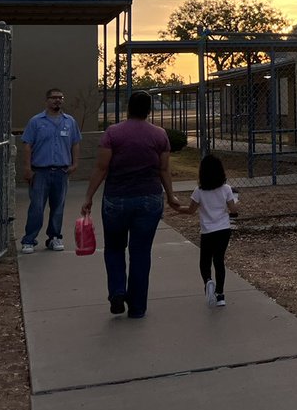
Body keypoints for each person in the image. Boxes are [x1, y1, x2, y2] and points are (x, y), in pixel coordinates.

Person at [81, 91, 183, 318]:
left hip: (116, 198)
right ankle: (137, 307)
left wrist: (89, 196)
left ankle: (117, 291)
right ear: (149, 110)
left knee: (115, 248)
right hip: (149, 199)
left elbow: (101, 167)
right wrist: (171, 195)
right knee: (140, 252)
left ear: (128, 108)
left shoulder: (113, 133)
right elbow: (163, 169)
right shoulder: (159, 135)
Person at [20, 88, 81, 253]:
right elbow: (27, 145)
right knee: (37, 207)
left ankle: (54, 237)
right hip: (40, 172)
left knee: (58, 207)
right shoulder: (36, 122)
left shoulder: (70, 122)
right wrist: (27, 168)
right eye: (54, 98)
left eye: (60, 97)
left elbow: (75, 143)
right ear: (46, 100)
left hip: (61, 172)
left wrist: (75, 164)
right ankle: (29, 240)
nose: (57, 101)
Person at [185, 154, 239, 307]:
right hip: (223, 229)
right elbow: (233, 209)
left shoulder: (199, 191)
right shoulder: (227, 189)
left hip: (207, 231)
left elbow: (190, 210)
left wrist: (176, 207)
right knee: (219, 260)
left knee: (205, 261)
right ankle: (220, 295)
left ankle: (208, 281)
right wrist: (237, 200)